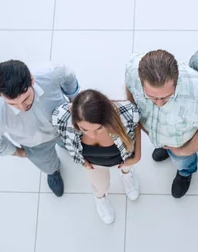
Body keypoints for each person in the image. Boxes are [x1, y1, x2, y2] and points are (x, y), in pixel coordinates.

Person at [125, 50, 198, 198]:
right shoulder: (132, 69)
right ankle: (163, 148)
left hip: (181, 144)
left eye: (165, 97)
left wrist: (183, 151)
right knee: (162, 147)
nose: (159, 103)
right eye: (151, 97)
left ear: (176, 81)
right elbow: (129, 87)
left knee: (183, 161)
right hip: (156, 134)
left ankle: (185, 172)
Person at [0, 60, 80, 196]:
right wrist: (18, 152)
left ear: (31, 80)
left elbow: (69, 79)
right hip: (36, 145)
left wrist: (75, 101)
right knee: (47, 164)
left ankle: (67, 145)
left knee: (73, 141)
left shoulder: (52, 72)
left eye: (25, 98)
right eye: (13, 104)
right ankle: (53, 171)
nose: (22, 107)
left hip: (65, 123)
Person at [52, 89, 141, 224]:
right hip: (93, 164)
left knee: (127, 168)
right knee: (101, 186)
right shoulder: (61, 117)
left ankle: (127, 174)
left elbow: (136, 125)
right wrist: (80, 160)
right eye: (84, 129)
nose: (92, 135)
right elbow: (64, 134)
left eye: (99, 128)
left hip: (124, 155)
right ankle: (100, 198)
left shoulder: (127, 112)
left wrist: (137, 155)